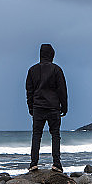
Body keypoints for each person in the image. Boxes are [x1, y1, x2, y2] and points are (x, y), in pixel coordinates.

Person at [26, 43, 68, 172]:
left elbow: (29, 91)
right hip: (53, 107)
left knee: (36, 135)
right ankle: (56, 164)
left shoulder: (32, 70)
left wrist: (31, 108)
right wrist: (64, 106)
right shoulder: (56, 69)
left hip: (38, 107)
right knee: (55, 135)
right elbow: (62, 90)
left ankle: (33, 163)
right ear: (52, 55)